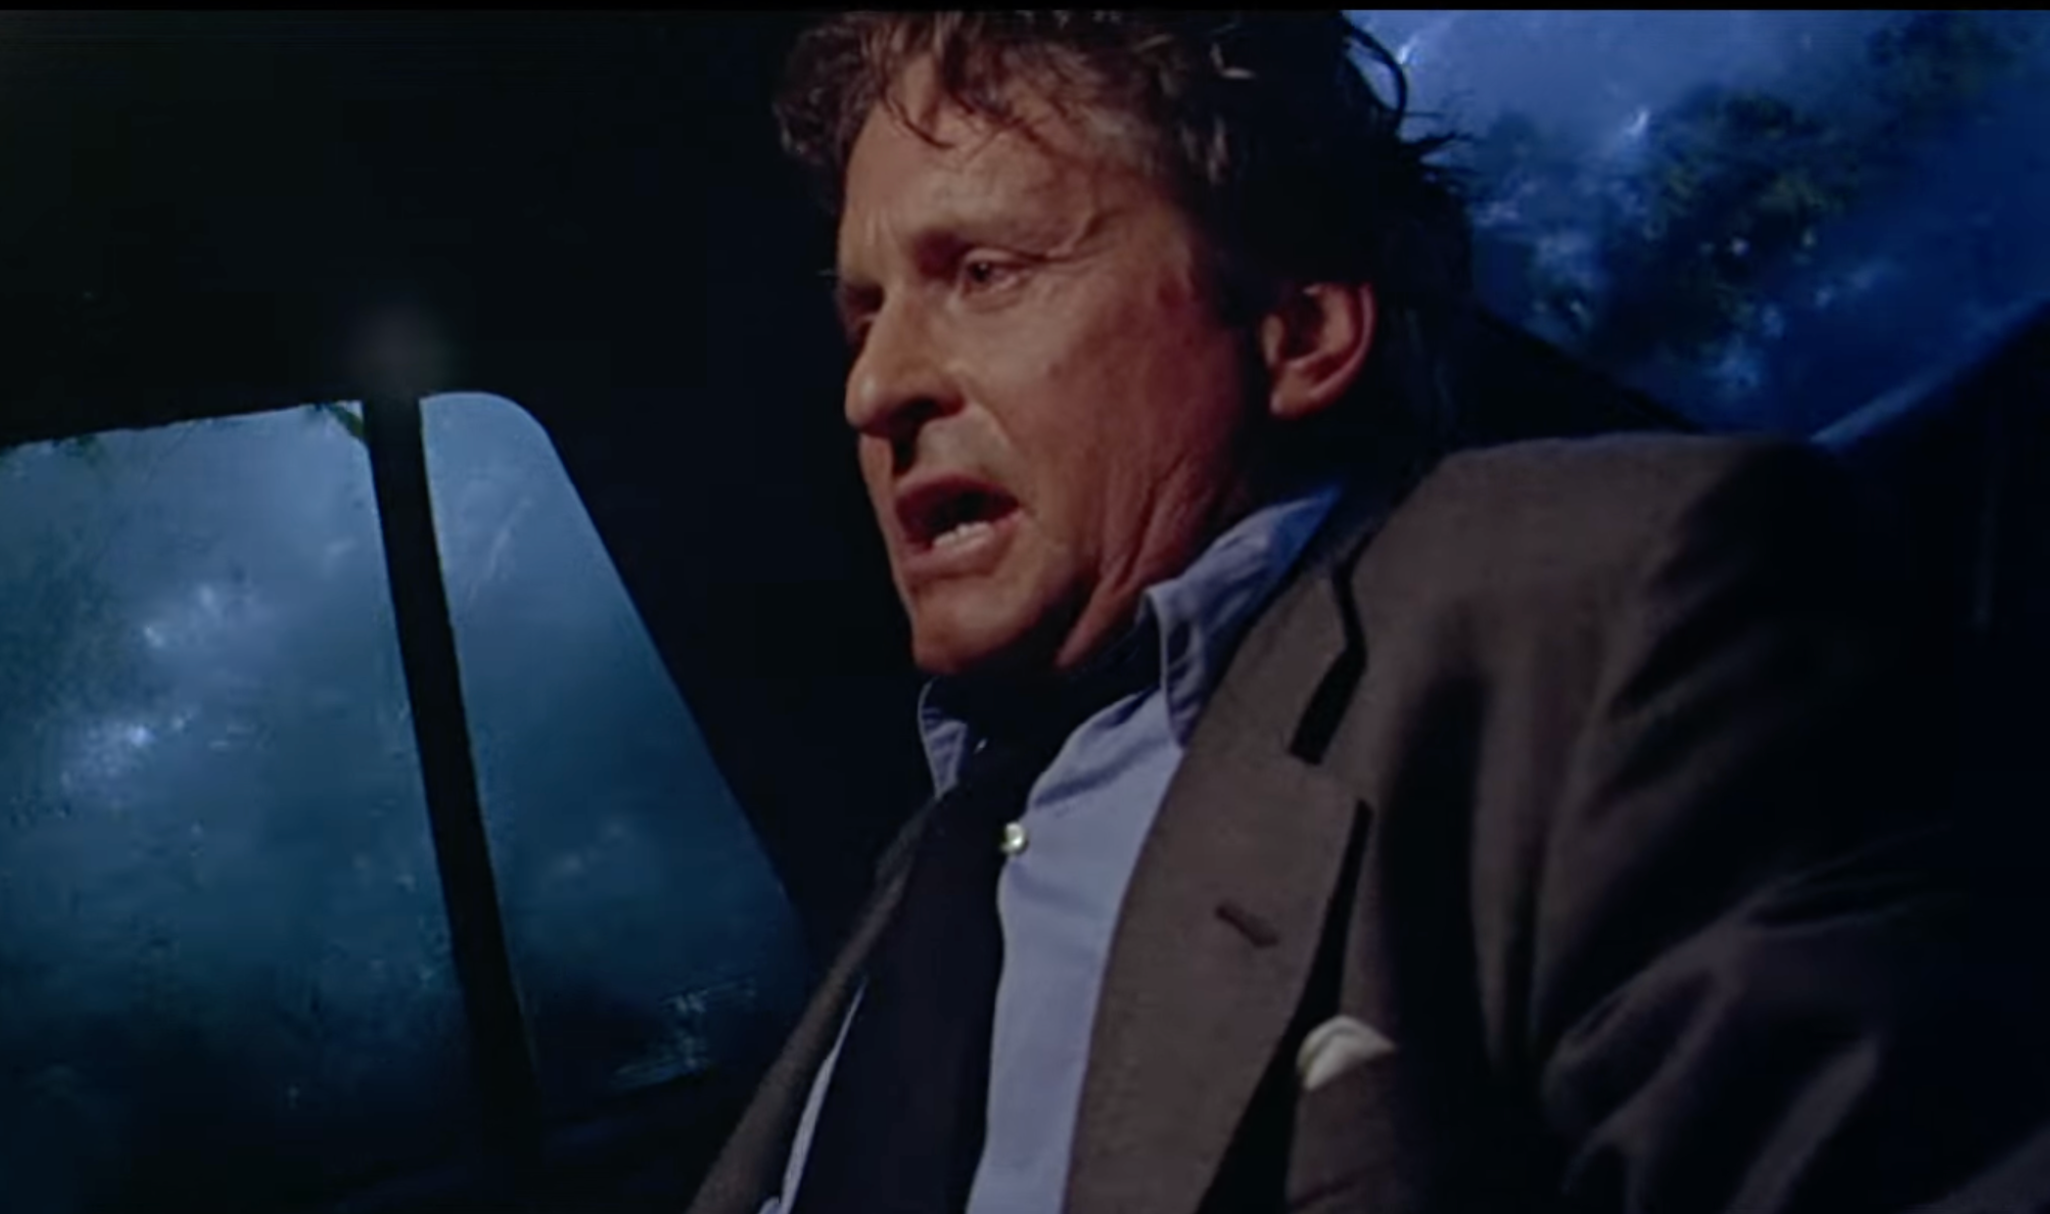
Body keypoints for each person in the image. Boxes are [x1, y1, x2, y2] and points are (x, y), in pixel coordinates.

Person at [689, 11, 2050, 1214]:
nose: (875, 387)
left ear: (1299, 332)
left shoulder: (1603, 607)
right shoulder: (929, 870)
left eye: (984, 272)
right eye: (863, 315)